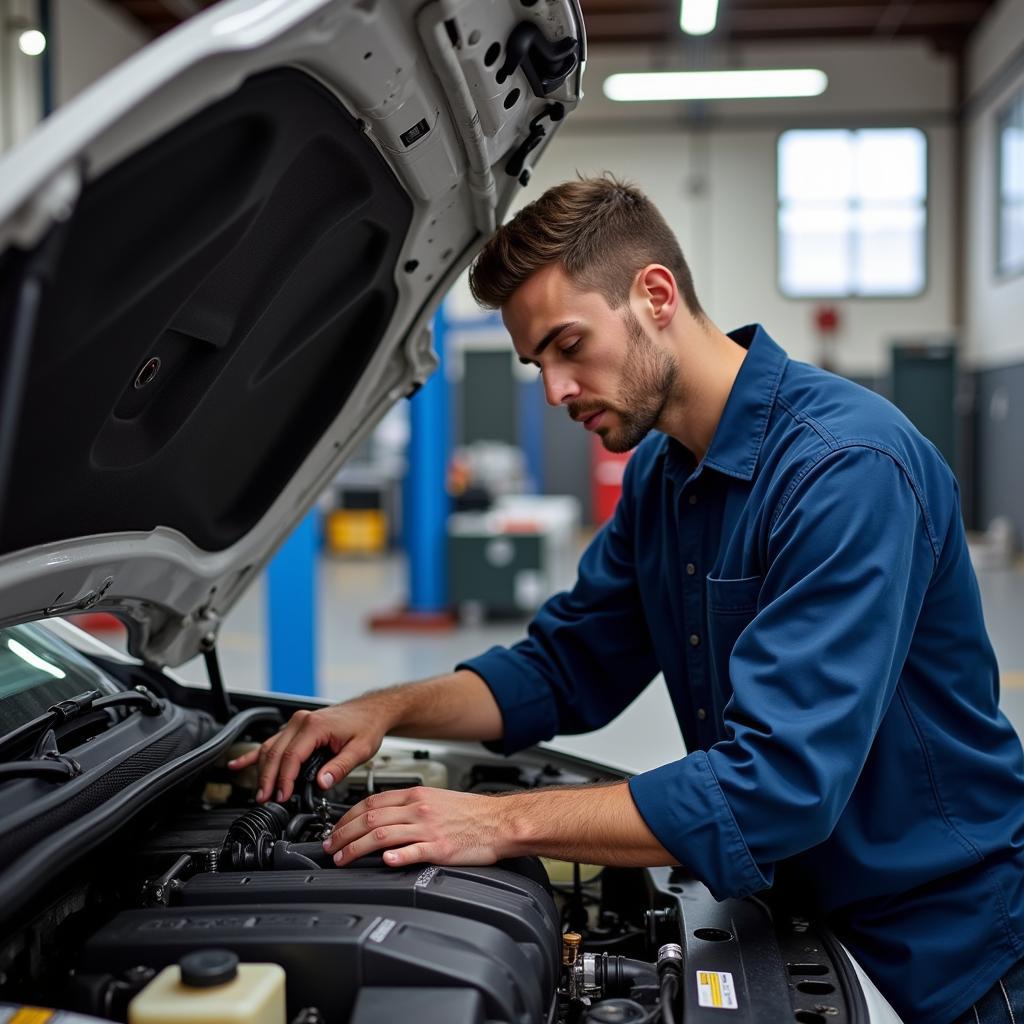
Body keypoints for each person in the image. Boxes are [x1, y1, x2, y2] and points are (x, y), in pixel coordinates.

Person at [230, 176, 1024, 1024]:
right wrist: (386, 708)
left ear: (654, 294)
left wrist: (500, 823)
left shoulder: (845, 470)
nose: (555, 391)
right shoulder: (662, 473)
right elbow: (564, 667)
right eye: (538, 363)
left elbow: (778, 786)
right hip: (795, 921)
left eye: (569, 345)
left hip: (947, 956)